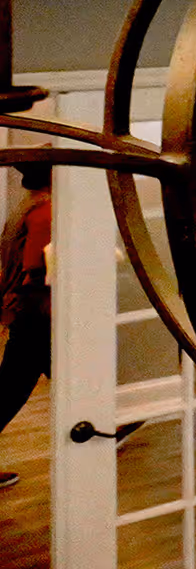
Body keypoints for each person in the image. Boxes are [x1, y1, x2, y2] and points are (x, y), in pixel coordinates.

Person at [0, 164, 53, 491]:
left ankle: (106, 419)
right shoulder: (45, 214)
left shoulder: (26, 209)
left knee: (11, 387)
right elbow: (36, 270)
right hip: (37, 314)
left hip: (31, 313)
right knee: (9, 390)